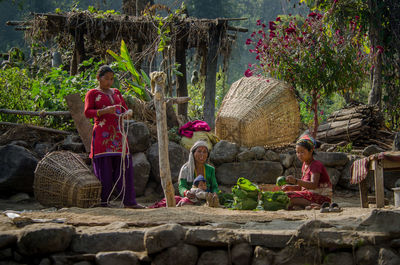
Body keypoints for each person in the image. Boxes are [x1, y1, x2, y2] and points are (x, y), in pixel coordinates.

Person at [84, 65, 144, 209]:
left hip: (119, 135)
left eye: (112, 79)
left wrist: (127, 113)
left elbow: (123, 108)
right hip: (102, 135)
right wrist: (103, 111)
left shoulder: (116, 92)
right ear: (98, 78)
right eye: (106, 79)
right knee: (104, 169)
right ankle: (103, 201)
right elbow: (87, 112)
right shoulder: (92, 93)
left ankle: (129, 201)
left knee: (124, 168)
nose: (109, 82)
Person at [282, 134, 332, 210]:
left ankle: (316, 205)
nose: (299, 155)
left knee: (287, 196)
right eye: (297, 152)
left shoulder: (316, 165)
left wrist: (295, 181)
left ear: (311, 150)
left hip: (321, 197)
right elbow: (304, 186)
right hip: (309, 194)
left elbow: (313, 185)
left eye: (302, 152)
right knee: (284, 196)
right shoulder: (305, 165)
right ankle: (304, 205)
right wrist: (292, 187)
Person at [178, 140, 220, 207]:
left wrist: (215, 193)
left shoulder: (210, 169)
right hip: (192, 197)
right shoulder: (186, 169)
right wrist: (186, 192)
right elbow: (182, 186)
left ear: (207, 155)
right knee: (184, 204)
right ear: (193, 153)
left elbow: (214, 186)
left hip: (206, 196)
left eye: (204, 152)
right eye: (199, 151)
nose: (202, 154)